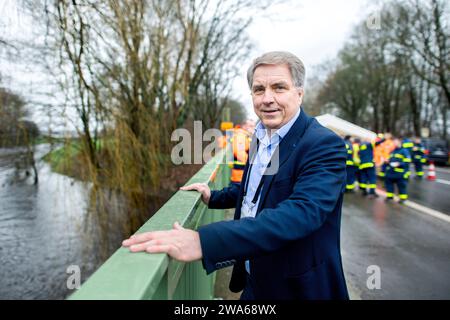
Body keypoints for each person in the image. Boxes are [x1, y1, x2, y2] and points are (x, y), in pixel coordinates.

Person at [122, 51, 349, 300]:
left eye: (279, 88)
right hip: (253, 278)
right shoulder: (262, 136)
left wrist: (204, 242)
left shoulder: (323, 144)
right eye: (259, 89)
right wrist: (214, 197)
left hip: (296, 288)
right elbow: (257, 191)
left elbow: (302, 213)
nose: (267, 98)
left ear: (299, 93)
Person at [384, 137, 412, 203]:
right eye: (393, 142)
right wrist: (387, 161)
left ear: (399, 142)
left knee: (401, 186)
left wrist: (399, 163)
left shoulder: (404, 151)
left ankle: (403, 199)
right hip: (391, 172)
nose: (394, 143)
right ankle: (389, 197)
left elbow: (407, 161)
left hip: (400, 173)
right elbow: (391, 160)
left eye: (395, 142)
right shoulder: (393, 151)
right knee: (389, 185)